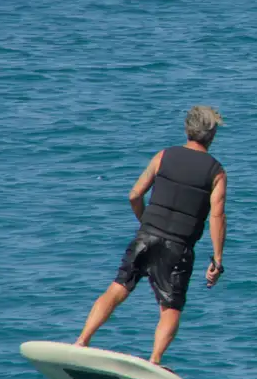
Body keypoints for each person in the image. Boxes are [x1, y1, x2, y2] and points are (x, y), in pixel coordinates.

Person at [74, 105, 227, 364]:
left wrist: (145, 222)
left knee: (117, 288)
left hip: (146, 236)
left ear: (187, 129)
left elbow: (134, 195)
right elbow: (217, 216)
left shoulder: (163, 156)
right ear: (211, 136)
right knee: (170, 307)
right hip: (178, 247)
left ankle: (82, 341)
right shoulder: (216, 172)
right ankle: (154, 361)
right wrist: (217, 259)